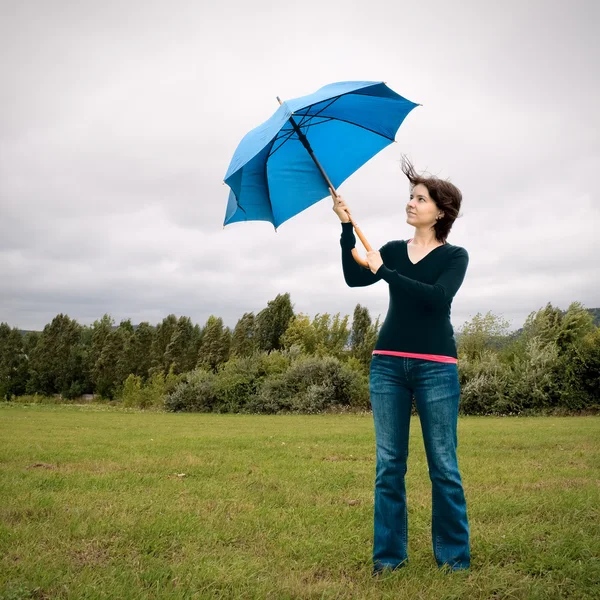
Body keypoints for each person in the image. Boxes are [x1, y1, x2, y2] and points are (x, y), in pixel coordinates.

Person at [332, 157, 471, 575]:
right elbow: (354, 279)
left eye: (420, 198)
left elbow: (435, 298)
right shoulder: (392, 250)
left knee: (443, 465)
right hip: (387, 365)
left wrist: (386, 272)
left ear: (441, 211)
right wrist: (344, 228)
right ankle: (389, 560)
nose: (411, 203)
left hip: (436, 368)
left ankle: (454, 559)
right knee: (389, 466)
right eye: (410, 197)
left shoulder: (455, 256)